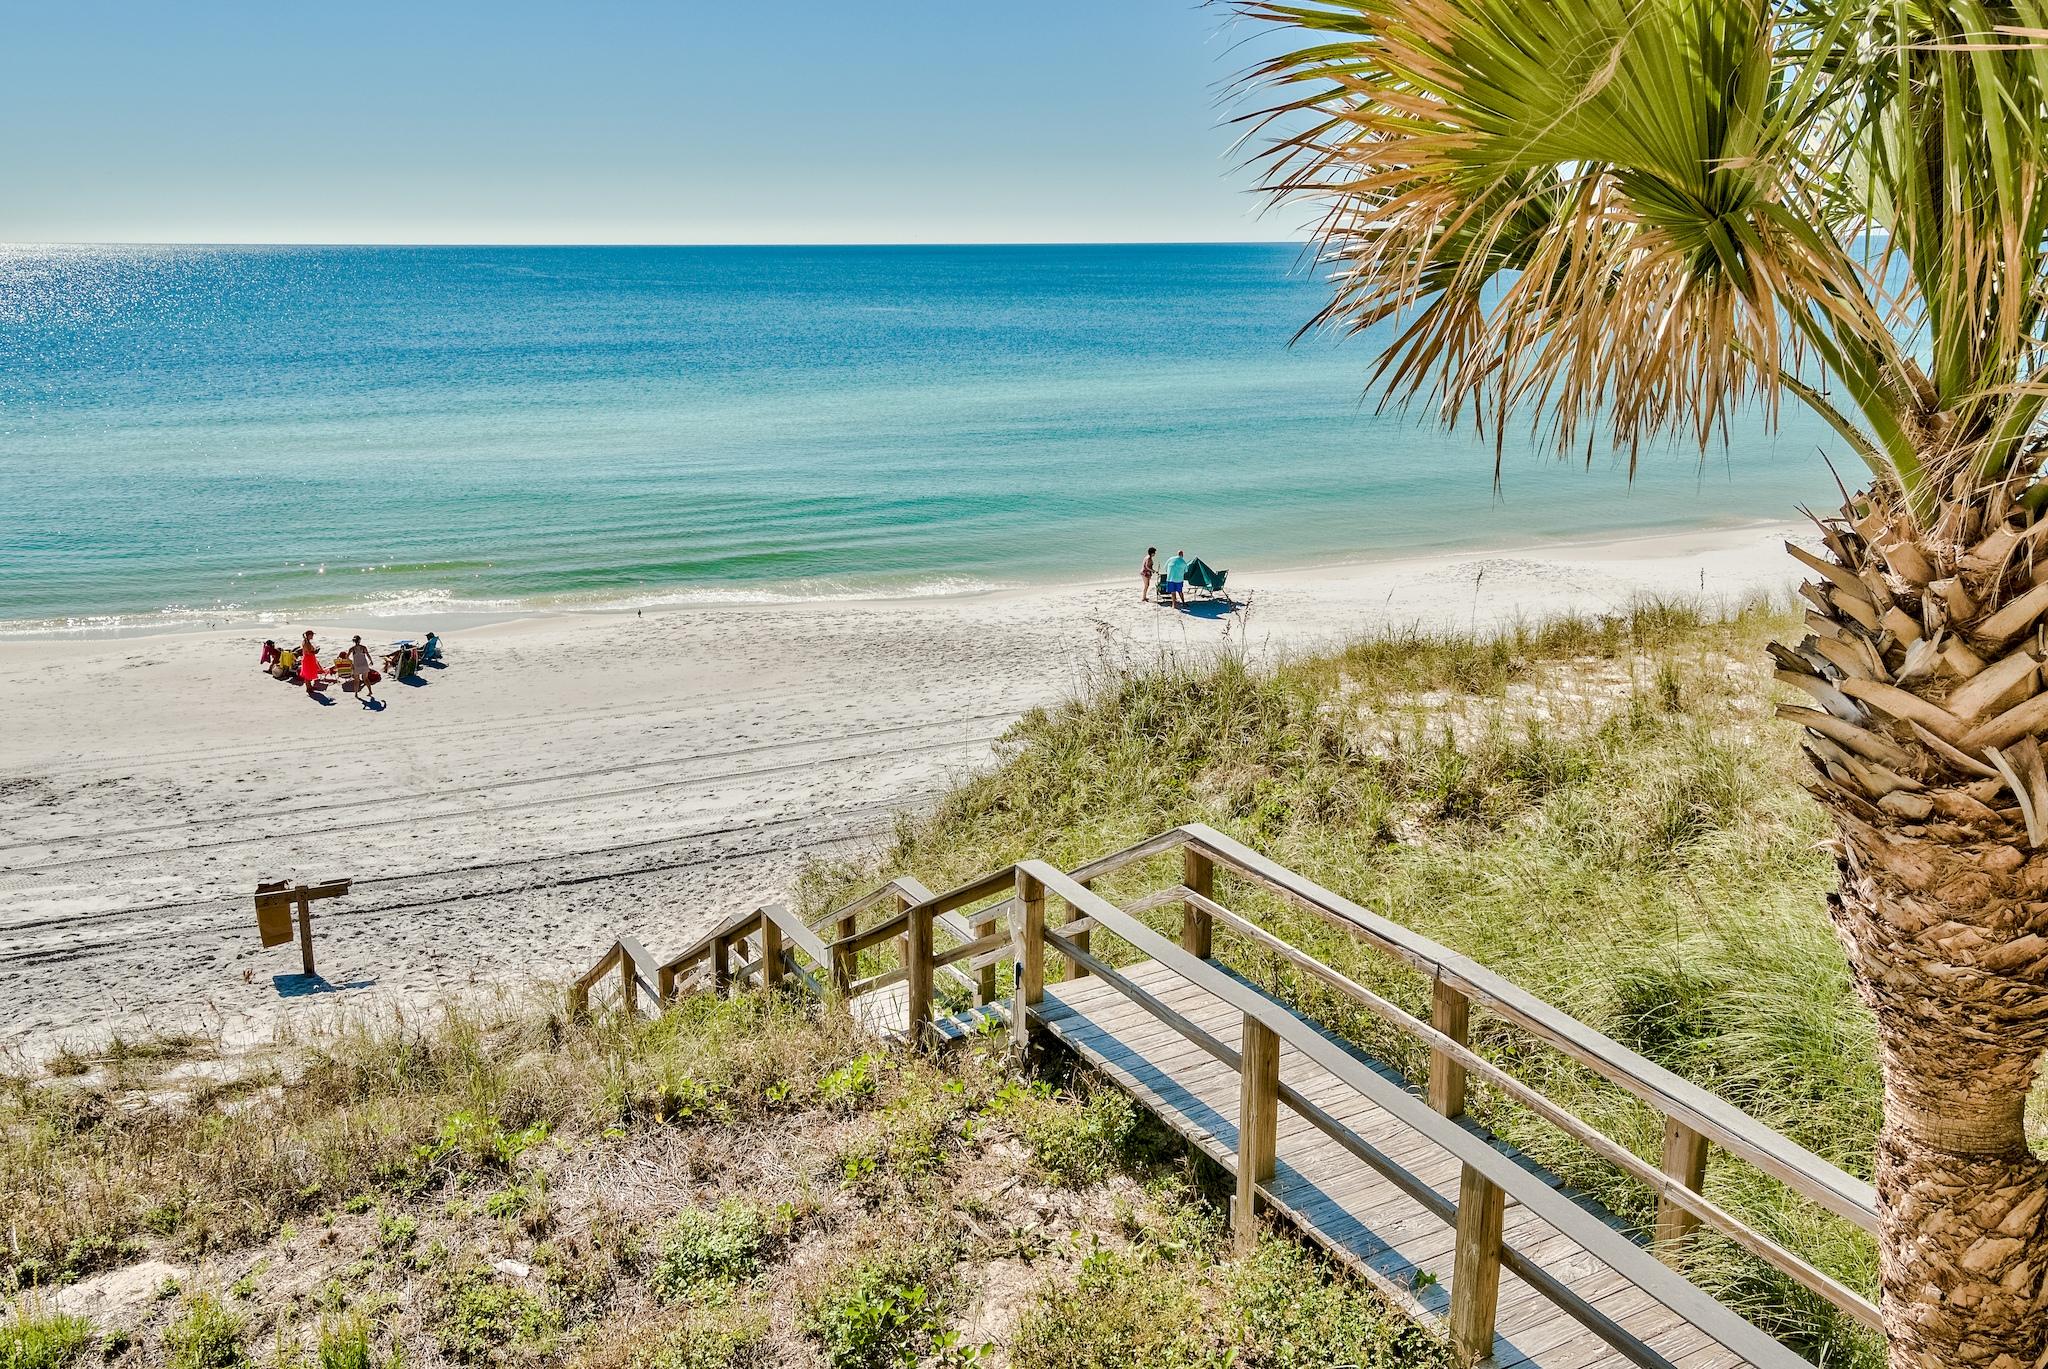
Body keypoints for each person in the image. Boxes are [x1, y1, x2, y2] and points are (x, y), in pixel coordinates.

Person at [348, 635, 378, 705]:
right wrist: (371, 661)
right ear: (360, 640)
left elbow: (347, 657)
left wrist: (351, 663)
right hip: (364, 665)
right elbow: (368, 655)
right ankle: (370, 691)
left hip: (357, 666)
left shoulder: (352, 649)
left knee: (356, 680)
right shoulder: (363, 647)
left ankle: (356, 694)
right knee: (366, 679)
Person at [297, 630, 323, 696]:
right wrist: (316, 651)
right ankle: (308, 688)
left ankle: (309, 687)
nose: (313, 636)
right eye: (312, 635)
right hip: (308, 659)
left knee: (308, 673)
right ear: (309, 635)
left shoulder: (306, 641)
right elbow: (309, 652)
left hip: (309, 659)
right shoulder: (306, 642)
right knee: (307, 674)